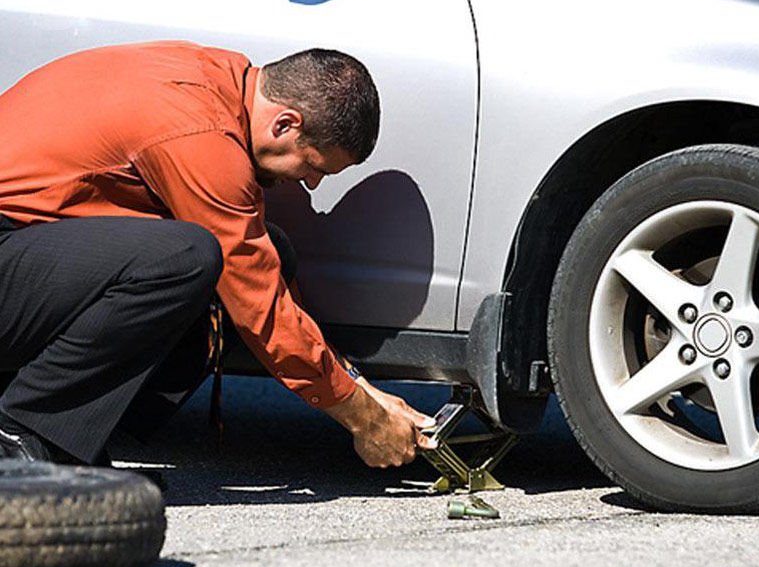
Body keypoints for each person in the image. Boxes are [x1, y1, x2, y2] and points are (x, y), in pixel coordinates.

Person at [0, 41, 436, 469]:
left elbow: (264, 270)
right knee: (186, 259)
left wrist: (359, 384)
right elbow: (259, 304)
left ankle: (73, 440)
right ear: (285, 125)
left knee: (266, 251)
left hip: (22, 247)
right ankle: (21, 432)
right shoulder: (202, 135)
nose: (312, 184)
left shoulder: (218, 77)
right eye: (314, 166)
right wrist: (361, 417)